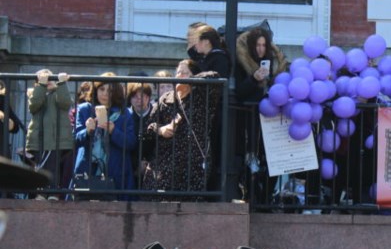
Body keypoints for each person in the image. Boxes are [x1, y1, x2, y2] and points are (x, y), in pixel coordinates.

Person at [141, 59, 221, 196]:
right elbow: (148, 129)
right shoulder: (165, 99)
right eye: (178, 72)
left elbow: (215, 76)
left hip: (193, 165)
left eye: (185, 73)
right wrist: (161, 130)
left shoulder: (202, 97)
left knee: (189, 204)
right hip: (164, 164)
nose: (179, 76)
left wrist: (190, 81)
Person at [73, 73, 137, 192]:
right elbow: (74, 140)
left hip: (116, 171)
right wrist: (87, 131)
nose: (105, 94)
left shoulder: (125, 113)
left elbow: (131, 143)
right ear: (96, 89)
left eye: (110, 91)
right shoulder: (84, 109)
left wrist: (114, 131)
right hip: (86, 169)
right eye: (102, 89)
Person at [25, 69, 73, 194]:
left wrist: (62, 84)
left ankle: (53, 192)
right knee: (40, 167)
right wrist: (41, 86)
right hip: (39, 139)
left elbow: (65, 103)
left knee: (54, 168)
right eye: (44, 79)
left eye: (51, 78)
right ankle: (40, 192)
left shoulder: (59, 93)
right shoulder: (35, 94)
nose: (48, 81)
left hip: (57, 139)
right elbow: (34, 105)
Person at [235, 26, 288, 104]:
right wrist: (254, 79)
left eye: (264, 45)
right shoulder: (241, 60)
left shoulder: (270, 57)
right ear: (252, 45)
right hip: (248, 108)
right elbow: (239, 92)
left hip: (266, 106)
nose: (261, 49)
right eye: (258, 45)